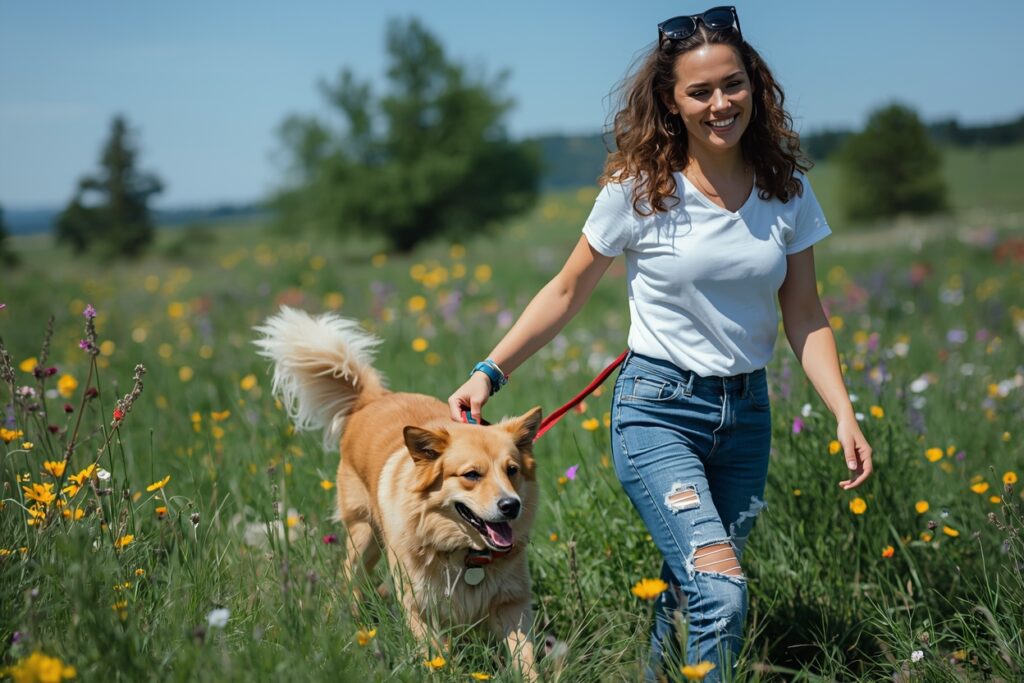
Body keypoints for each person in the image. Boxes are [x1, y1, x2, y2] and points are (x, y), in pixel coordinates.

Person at [448, 6, 873, 681]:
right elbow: (566, 290)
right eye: (699, 91)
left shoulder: (785, 190)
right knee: (721, 589)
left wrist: (843, 410)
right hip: (658, 411)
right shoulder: (640, 190)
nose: (720, 103)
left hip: (748, 416)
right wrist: (489, 370)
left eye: (732, 84)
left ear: (754, 86)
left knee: (689, 588)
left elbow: (806, 312)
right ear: (671, 103)